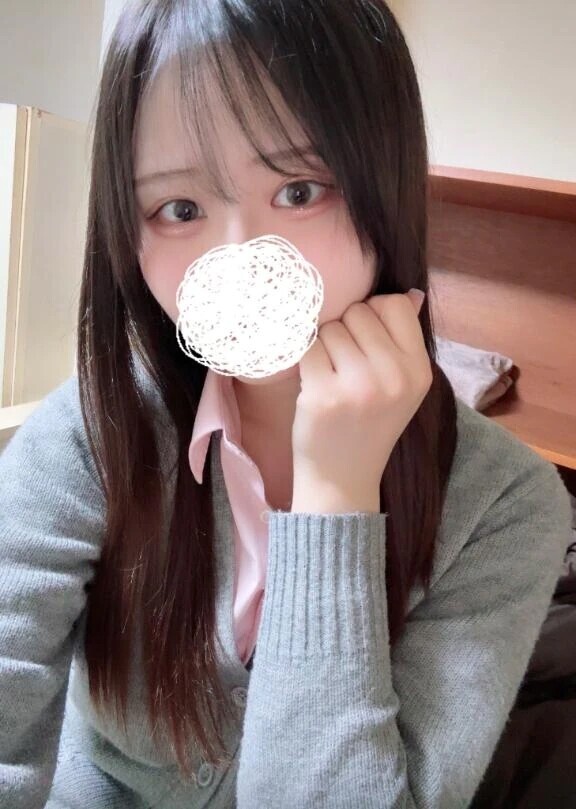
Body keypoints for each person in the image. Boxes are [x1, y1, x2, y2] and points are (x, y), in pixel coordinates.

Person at [0, 1, 572, 807]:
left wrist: (336, 494)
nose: (242, 260)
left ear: (385, 188)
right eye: (180, 209)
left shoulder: (508, 504)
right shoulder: (91, 432)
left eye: (300, 190)